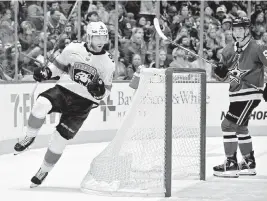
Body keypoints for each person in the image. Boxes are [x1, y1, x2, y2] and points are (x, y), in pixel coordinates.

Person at [14, 21, 115, 187]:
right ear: (89, 37)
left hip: (84, 103)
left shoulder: (108, 63)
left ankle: (44, 170)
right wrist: (47, 72)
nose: (100, 40)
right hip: (63, 90)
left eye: (103, 36)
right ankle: (29, 137)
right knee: (41, 103)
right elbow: (57, 67)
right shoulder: (73, 48)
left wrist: (99, 92)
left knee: (59, 139)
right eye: (97, 36)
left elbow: (107, 92)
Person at [213, 17, 267, 178]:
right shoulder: (228, 50)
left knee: (227, 125)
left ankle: (230, 163)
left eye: (240, 29)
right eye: (234, 29)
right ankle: (249, 162)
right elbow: (223, 76)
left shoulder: (258, 47)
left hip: (250, 92)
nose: (237, 32)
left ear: (247, 30)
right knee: (240, 127)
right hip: (236, 95)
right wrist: (220, 71)